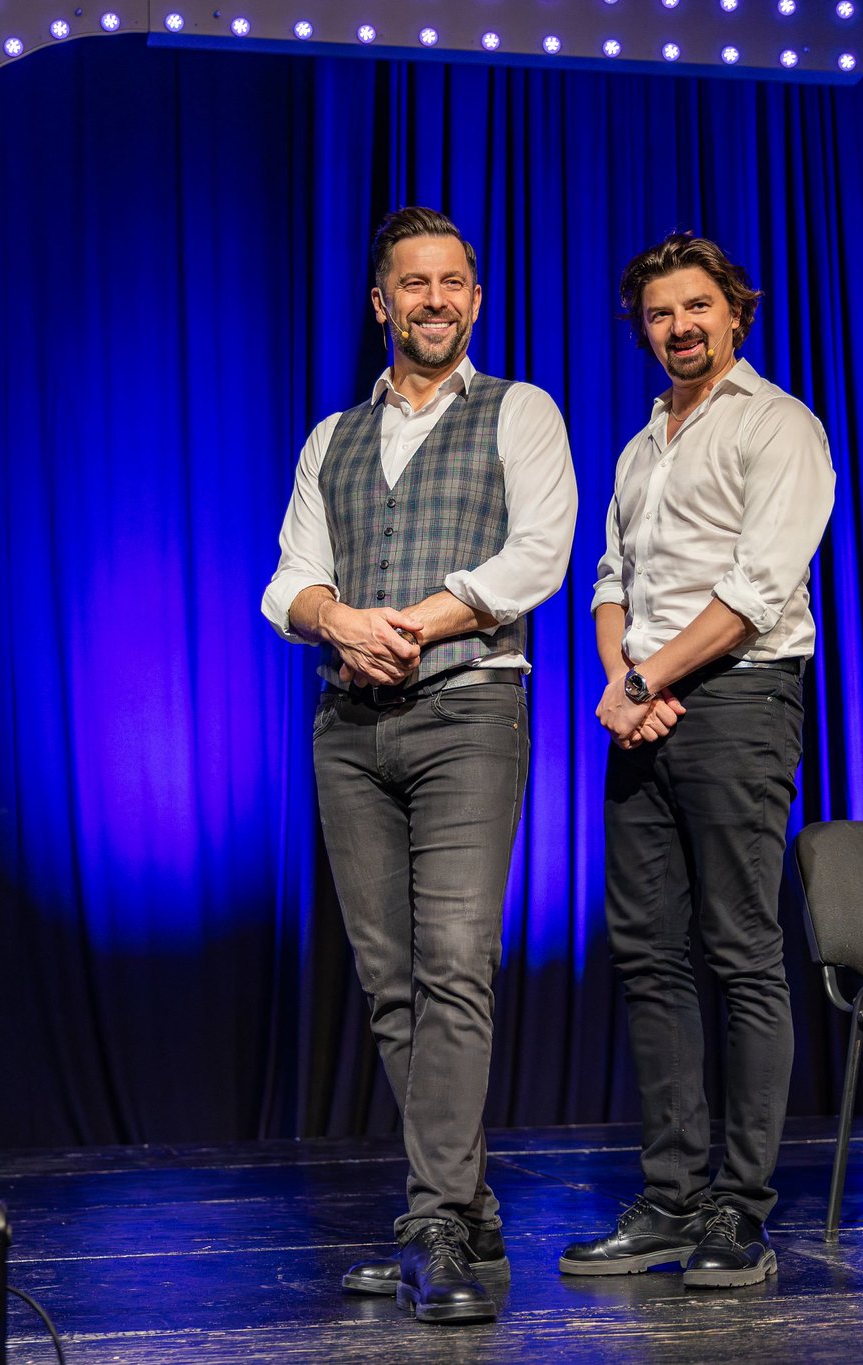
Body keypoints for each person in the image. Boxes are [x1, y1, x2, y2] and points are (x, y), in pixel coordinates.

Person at [261, 207, 578, 1324]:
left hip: (468, 711)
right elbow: (288, 580)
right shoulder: (331, 437)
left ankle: (434, 1220)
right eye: (413, 283)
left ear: (475, 300)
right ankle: (465, 1211)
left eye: (452, 283)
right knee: (391, 981)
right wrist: (340, 621)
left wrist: (414, 622)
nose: (434, 300)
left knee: (453, 964)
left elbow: (538, 553)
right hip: (350, 729)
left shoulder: (519, 410)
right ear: (381, 303)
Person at [560, 233, 835, 1288]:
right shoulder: (642, 446)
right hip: (645, 707)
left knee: (739, 951)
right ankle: (671, 1197)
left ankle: (739, 1209)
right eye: (659, 314)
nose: (679, 327)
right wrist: (625, 684)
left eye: (696, 307)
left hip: (739, 699)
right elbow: (610, 578)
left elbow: (759, 588)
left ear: (735, 312)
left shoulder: (778, 424)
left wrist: (643, 683)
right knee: (648, 956)